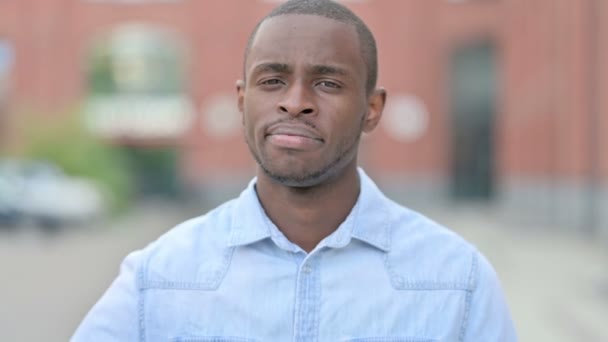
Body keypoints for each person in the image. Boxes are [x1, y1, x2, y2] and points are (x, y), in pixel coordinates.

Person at [72, 0, 517, 341]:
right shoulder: (160, 277)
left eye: (327, 83)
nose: (295, 100)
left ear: (372, 109)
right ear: (243, 101)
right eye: (272, 81)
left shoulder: (458, 282)